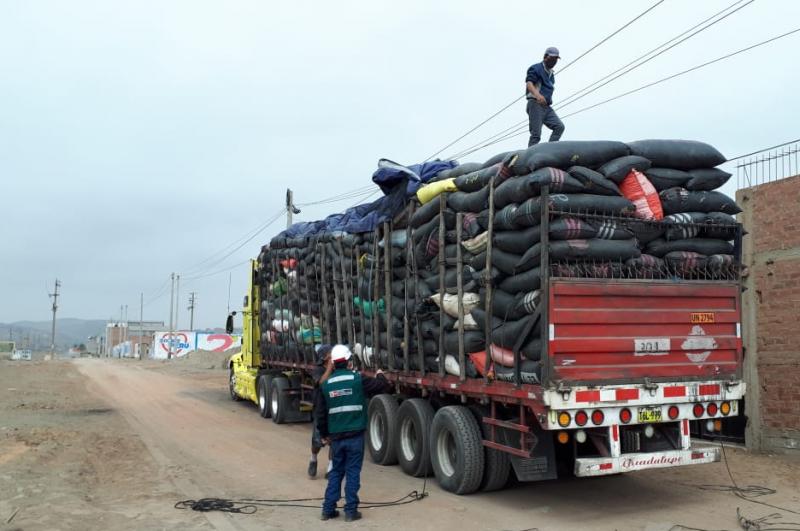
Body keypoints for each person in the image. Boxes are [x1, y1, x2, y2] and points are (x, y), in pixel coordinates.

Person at [315, 344, 392, 522]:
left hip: (336, 437)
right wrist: (380, 373)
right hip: (355, 436)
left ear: (333, 363)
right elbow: (382, 386)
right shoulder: (358, 379)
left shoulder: (326, 385)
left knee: (336, 472)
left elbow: (320, 413)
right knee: (352, 472)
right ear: (349, 361)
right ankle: (350, 512)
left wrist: (324, 434)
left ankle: (328, 510)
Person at [525, 46, 565, 147]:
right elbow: (529, 83)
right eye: (552, 59)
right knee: (536, 135)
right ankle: (529, 158)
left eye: (556, 59)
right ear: (545, 57)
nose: (554, 62)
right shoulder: (536, 68)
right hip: (535, 104)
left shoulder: (551, 74)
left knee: (559, 127)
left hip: (546, 107)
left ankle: (549, 150)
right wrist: (537, 95)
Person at [309, 344, 334, 479]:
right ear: (325, 357)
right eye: (330, 353)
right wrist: (330, 368)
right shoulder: (318, 370)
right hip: (321, 409)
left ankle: (330, 467)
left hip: (334, 409)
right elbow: (321, 383)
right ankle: (313, 459)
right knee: (317, 441)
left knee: (334, 440)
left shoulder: (335, 369)